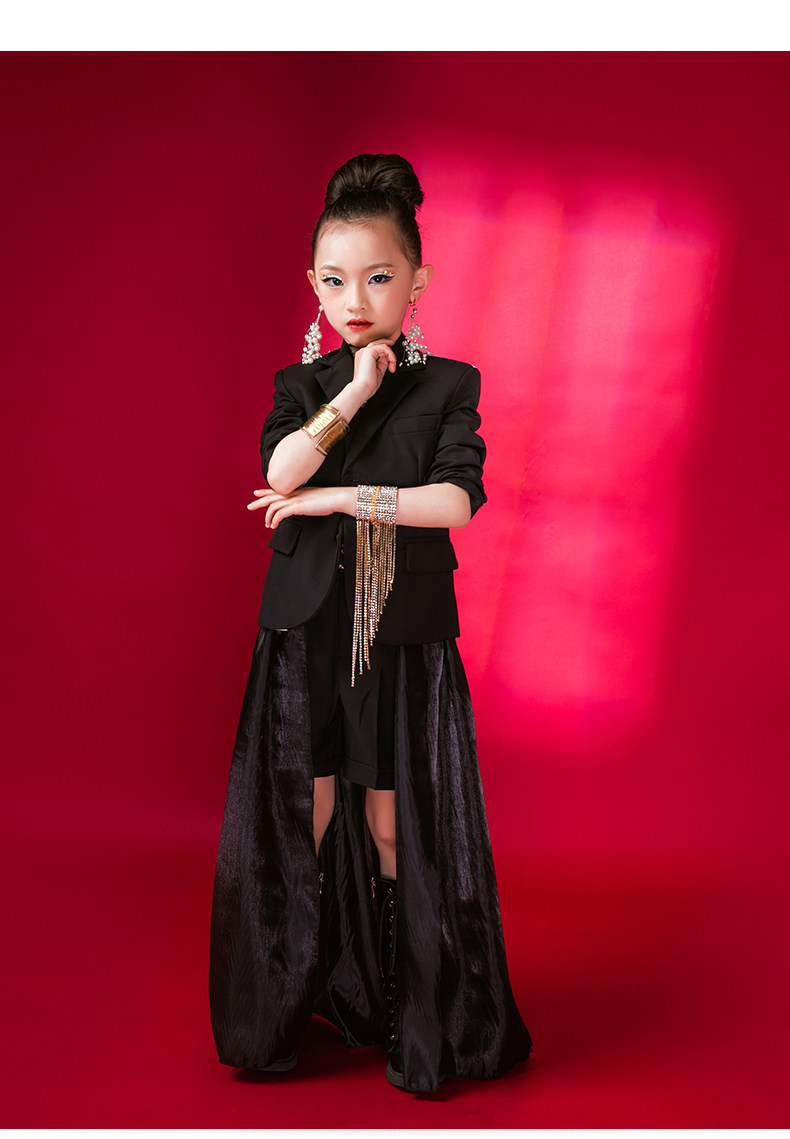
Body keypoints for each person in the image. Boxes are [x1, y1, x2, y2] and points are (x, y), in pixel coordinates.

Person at [209, 153, 532, 1094]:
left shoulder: (450, 384)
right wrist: (350, 391)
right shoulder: (301, 383)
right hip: (304, 635)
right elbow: (280, 474)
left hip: (400, 639)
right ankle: (286, 1010)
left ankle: (413, 1018)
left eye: (379, 277)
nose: (356, 299)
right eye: (335, 279)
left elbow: (455, 502)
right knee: (298, 819)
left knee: (396, 830)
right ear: (313, 285)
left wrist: (343, 497)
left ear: (417, 281)